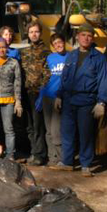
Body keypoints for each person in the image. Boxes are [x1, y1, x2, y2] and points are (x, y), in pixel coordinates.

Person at [51, 24, 107, 177]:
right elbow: (64, 77)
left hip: (86, 100)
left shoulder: (98, 58)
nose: (86, 38)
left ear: (93, 38)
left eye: (89, 36)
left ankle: (85, 164)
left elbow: (104, 80)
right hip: (69, 99)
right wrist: (59, 95)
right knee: (67, 132)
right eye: (83, 35)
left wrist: (101, 102)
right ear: (77, 36)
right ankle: (67, 162)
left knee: (86, 134)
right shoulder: (71, 55)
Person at [20, 21, 51, 166]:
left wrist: (43, 92)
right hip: (26, 93)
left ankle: (40, 154)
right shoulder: (24, 52)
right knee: (29, 125)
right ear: (28, 33)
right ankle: (33, 151)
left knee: (38, 125)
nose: (34, 34)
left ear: (40, 33)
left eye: (36, 31)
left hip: (39, 93)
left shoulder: (46, 52)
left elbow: (47, 73)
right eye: (31, 32)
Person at [40, 33, 67, 167]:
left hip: (60, 98)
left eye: (60, 42)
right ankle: (52, 158)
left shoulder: (70, 57)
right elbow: (45, 78)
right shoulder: (50, 58)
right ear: (52, 46)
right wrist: (41, 97)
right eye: (55, 44)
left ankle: (63, 158)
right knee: (49, 130)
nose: (58, 45)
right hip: (47, 97)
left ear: (64, 42)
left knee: (57, 130)